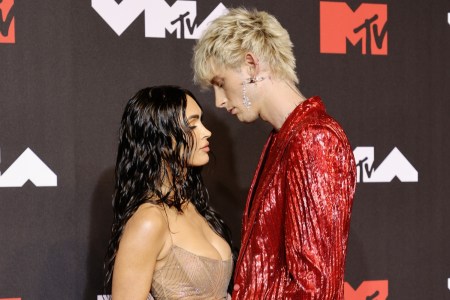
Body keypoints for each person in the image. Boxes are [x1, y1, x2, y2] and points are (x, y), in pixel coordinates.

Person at [193, 8, 357, 300]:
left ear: (251, 66)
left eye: (220, 83)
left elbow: (314, 286)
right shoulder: (284, 138)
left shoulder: (313, 139)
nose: (218, 101)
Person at [103, 86, 234, 300]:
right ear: (161, 140)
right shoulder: (149, 220)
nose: (207, 132)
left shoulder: (193, 206)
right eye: (192, 125)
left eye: (201, 121)